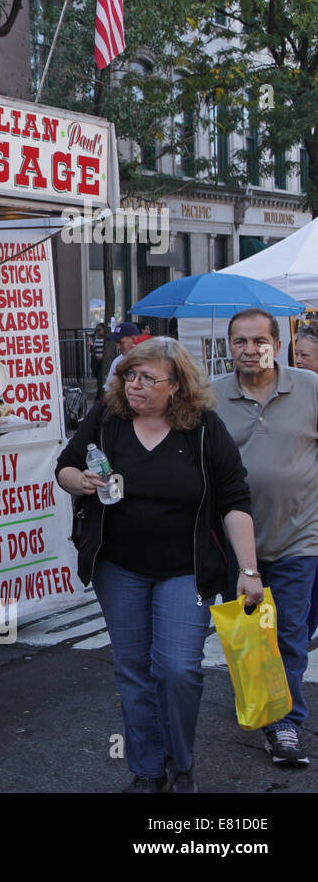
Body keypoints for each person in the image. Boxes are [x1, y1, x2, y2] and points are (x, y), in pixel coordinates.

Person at [57, 337, 261, 793]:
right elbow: (65, 467)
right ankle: (147, 771)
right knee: (132, 669)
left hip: (185, 569)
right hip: (119, 567)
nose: (135, 386)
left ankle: (181, 763)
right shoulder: (108, 417)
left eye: (148, 378)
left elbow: (235, 499)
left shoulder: (204, 428)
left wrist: (248, 570)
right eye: (130, 375)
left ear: (177, 385)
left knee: (177, 669)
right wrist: (83, 482)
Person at [212, 309, 318, 766]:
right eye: (240, 341)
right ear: (229, 345)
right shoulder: (210, 397)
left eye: (260, 340)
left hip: (300, 536)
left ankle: (287, 724)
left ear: (278, 342)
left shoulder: (311, 388)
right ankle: (264, 702)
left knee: (289, 631)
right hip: (235, 542)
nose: (250, 349)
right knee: (253, 632)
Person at [105, 322, 140, 388]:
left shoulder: (150, 360)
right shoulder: (117, 362)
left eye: (121, 342)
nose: (118, 347)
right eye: (116, 343)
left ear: (133, 339)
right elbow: (109, 390)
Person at [90, 323, 107, 397]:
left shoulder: (106, 341)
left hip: (103, 362)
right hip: (97, 362)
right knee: (98, 380)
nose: (97, 332)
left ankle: (99, 396)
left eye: (99, 330)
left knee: (100, 380)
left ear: (104, 330)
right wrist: (91, 347)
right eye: (96, 330)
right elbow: (93, 351)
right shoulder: (96, 340)